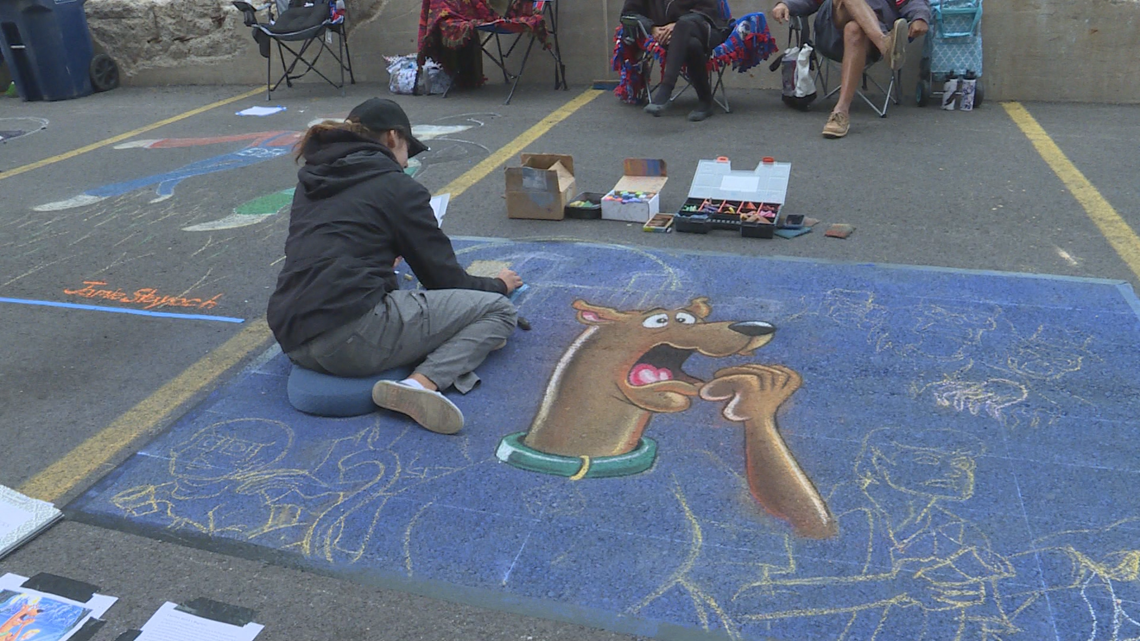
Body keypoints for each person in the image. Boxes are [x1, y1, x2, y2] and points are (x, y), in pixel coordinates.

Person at [267, 97, 522, 435]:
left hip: (291, 333)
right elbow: (443, 279)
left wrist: (383, 253)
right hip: (351, 337)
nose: (406, 162)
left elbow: (331, 245)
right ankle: (418, 386)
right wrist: (499, 285)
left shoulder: (313, 179)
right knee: (498, 312)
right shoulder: (397, 185)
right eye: (407, 151)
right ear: (392, 137)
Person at [771, 0, 930, 138]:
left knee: (854, 29)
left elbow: (912, 1)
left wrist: (920, 17)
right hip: (831, 34)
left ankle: (841, 111)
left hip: (868, 42)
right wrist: (786, 4)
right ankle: (885, 46)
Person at [621, 0, 729, 121]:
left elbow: (708, 10)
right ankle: (705, 101)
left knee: (683, 25)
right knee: (691, 45)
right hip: (666, 36)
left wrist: (676, 26)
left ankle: (666, 89)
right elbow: (629, 13)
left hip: (704, 29)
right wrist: (652, 28)